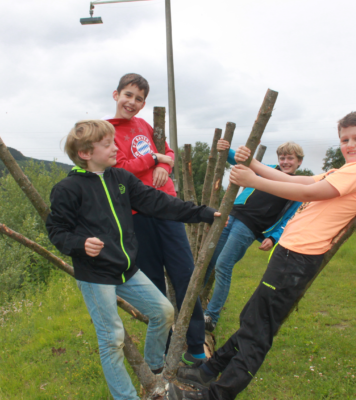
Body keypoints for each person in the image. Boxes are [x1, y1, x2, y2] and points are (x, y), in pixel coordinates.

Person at [167, 111, 356, 400]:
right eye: (345, 139)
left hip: (298, 259)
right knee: (253, 318)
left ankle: (213, 395)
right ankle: (207, 371)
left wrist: (254, 181)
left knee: (258, 331)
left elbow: (313, 192)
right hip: (292, 256)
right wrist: (252, 163)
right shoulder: (342, 171)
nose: (350, 145)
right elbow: (298, 182)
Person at [46, 120, 220, 400]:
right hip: (94, 274)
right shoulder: (68, 189)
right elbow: (56, 230)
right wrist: (79, 243)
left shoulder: (121, 179)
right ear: (86, 154)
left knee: (163, 312)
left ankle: (154, 367)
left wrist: (202, 213)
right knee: (112, 338)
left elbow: (160, 202)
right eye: (108, 145)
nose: (116, 147)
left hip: (126, 269)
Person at [106, 73, 208, 365]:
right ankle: (161, 350)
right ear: (116, 95)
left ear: (144, 103)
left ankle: (196, 344)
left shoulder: (145, 125)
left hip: (167, 206)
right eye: (128, 95)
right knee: (152, 281)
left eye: (138, 99)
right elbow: (121, 168)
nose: (132, 102)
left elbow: (168, 151)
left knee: (184, 273)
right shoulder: (108, 130)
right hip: (137, 213)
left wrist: (166, 162)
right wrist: (154, 160)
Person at [203, 140, 304, 333]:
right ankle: (194, 300)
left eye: (290, 158)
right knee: (210, 258)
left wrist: (274, 237)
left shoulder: (298, 185)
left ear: (299, 162)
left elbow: (289, 218)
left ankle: (211, 316)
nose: (285, 161)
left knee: (224, 265)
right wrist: (225, 148)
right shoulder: (269, 170)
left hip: (250, 225)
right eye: (282, 157)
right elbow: (244, 161)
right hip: (231, 214)